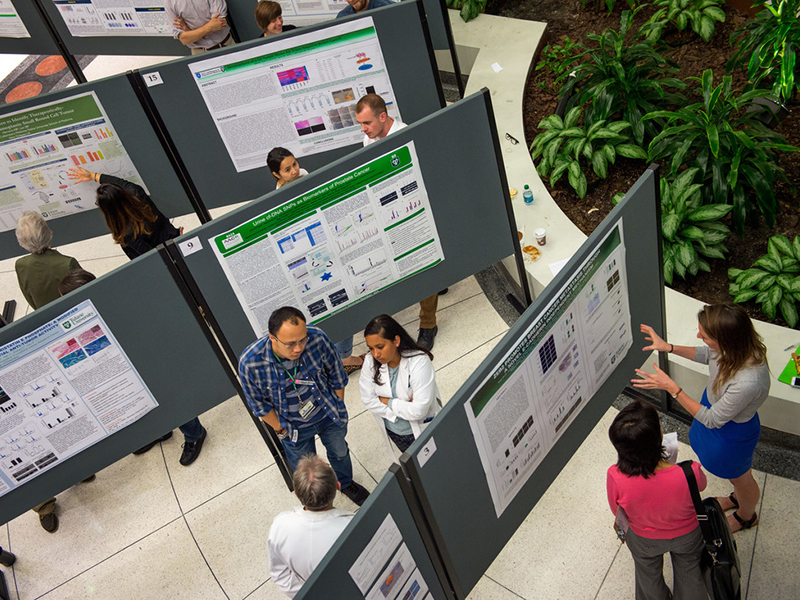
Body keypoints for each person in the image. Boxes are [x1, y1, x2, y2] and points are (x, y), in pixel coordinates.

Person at [67, 167, 208, 466]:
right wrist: (95, 176)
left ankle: (191, 432)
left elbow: (148, 262)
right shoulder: (139, 197)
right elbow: (127, 183)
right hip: (176, 247)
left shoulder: (128, 234)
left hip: (167, 270)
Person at [634, 303, 770, 533]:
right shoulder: (736, 347)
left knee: (741, 477)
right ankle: (736, 498)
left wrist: (673, 389)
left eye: (705, 336)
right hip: (714, 412)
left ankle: (746, 515)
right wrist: (669, 347)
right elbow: (709, 355)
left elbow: (712, 420)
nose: (699, 336)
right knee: (736, 478)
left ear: (727, 340)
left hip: (731, 433)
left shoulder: (748, 381)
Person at [238, 306, 370, 505]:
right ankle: (318, 501)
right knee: (306, 471)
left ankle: (345, 482)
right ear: (273, 338)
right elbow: (259, 405)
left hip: (328, 415)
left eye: (302, 339)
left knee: (340, 452)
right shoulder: (251, 362)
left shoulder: (317, 338)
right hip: (292, 427)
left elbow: (336, 375)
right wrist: (281, 429)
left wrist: (338, 406)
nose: (298, 348)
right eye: (290, 344)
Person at [357, 93, 445, 351]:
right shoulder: (368, 139)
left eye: (367, 123)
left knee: (423, 267)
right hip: (388, 211)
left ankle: (428, 324)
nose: (363, 130)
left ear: (383, 117)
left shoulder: (407, 136)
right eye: (360, 124)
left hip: (414, 210)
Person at [607, 401, 707, 600]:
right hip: (688, 535)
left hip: (644, 539)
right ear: (660, 435)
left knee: (647, 576)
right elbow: (701, 486)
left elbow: (616, 509)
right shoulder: (690, 472)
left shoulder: (615, 476)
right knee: (690, 573)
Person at [268, 455, 354, 597]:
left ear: (296, 494)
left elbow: (280, 574)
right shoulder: (352, 526)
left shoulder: (279, 526)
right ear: (338, 487)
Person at [359, 314, 441, 457]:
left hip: (422, 428)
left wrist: (387, 401)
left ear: (396, 340)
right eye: (371, 348)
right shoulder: (370, 361)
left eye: (380, 347)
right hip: (395, 432)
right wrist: (400, 409)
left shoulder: (419, 362)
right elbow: (368, 399)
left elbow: (419, 410)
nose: (376, 354)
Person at [14, 211, 81, 310]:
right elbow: (84, 292)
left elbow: (30, 298)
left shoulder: (20, 265)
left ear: (21, 241)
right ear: (47, 233)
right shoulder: (67, 263)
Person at [165, 0, 233, 54]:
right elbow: (184, 39)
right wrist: (210, 27)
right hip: (199, 54)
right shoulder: (169, 2)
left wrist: (189, 32)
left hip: (226, 46)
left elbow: (219, 23)